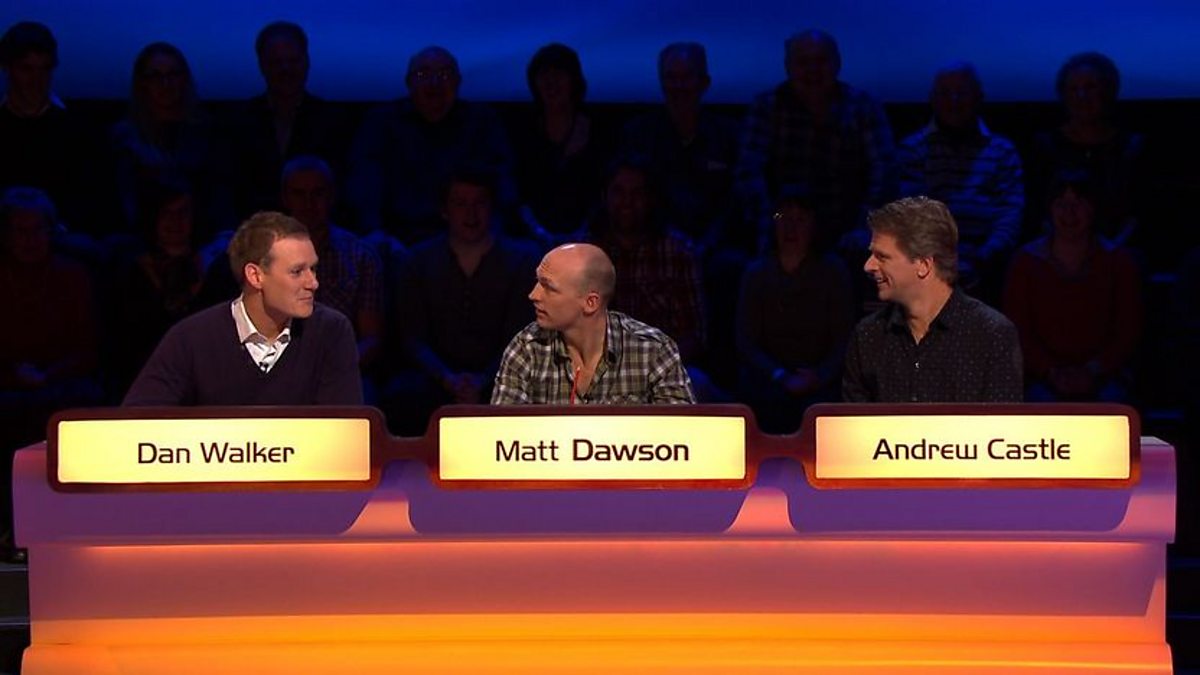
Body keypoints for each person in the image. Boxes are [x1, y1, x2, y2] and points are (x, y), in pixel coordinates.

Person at [123, 211, 362, 406]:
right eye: (297, 271)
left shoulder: (331, 331)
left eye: (313, 269)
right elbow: (136, 422)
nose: (313, 283)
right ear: (255, 276)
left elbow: (346, 433)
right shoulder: (191, 338)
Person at [386, 169, 539, 431]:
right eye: (460, 203)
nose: (471, 213)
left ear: (492, 208)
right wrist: (448, 379)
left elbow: (522, 333)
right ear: (444, 210)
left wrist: (484, 379)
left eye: (480, 203)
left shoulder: (523, 261)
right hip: (434, 380)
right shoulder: (417, 262)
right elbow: (413, 338)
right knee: (402, 395)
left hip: (503, 376)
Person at [843, 196, 1021, 402]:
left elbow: (1003, 420)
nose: (868, 266)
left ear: (924, 265)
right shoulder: (867, 336)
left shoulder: (992, 335)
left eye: (882, 257)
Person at [737, 29, 894, 252]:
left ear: (837, 64)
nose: (813, 70)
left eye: (821, 61)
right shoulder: (767, 107)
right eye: (803, 62)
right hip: (779, 228)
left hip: (849, 230)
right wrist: (774, 228)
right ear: (788, 66)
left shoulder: (863, 107)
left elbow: (884, 173)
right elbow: (749, 173)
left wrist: (864, 228)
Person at [348, 46, 515, 244]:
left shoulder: (482, 123)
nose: (434, 83)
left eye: (444, 75)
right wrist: (374, 231)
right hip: (398, 239)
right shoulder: (382, 123)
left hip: (469, 238)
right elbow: (365, 182)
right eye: (423, 74)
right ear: (409, 82)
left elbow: (503, 180)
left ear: (458, 82)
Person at [491, 242, 694, 404]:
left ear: (590, 303)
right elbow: (503, 434)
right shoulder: (526, 348)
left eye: (548, 287)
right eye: (537, 281)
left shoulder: (654, 351)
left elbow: (681, 435)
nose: (533, 295)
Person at [1003, 171, 1141, 402]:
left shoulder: (1118, 262)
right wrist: (1051, 371)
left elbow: (1127, 330)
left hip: (1106, 375)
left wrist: (1093, 370)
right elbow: (1016, 330)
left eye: (1079, 203)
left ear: (1093, 208)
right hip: (1041, 377)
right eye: (1061, 204)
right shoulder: (1025, 263)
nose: (1069, 212)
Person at [897, 62, 1023, 302]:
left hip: (988, 266)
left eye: (961, 93)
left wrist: (983, 257)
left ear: (978, 97)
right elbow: (912, 216)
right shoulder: (913, 149)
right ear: (933, 99)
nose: (954, 101)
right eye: (946, 93)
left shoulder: (1002, 151)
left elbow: (1009, 214)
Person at [736, 186, 853, 432]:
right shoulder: (756, 274)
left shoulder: (833, 273)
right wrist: (779, 374)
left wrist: (819, 376)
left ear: (814, 225)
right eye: (783, 218)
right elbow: (746, 341)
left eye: (800, 219)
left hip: (821, 381)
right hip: (769, 379)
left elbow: (844, 341)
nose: (791, 227)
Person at [621, 42, 742, 254]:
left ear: (704, 82)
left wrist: (708, 244)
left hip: (718, 249)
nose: (679, 86)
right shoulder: (638, 135)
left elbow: (737, 200)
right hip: (652, 246)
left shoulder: (730, 135)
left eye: (686, 77)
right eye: (671, 78)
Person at [227, 21, 350, 219]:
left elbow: (341, 188)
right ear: (262, 66)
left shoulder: (334, 121)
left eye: (293, 60)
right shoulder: (237, 122)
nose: (285, 69)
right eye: (276, 62)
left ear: (306, 62)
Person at [513, 43, 608, 240]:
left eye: (558, 74)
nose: (551, 82)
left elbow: (604, 193)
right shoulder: (521, 133)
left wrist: (583, 233)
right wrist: (539, 232)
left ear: (574, 80)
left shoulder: (599, 131)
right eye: (544, 75)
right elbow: (515, 193)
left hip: (592, 237)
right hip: (529, 239)